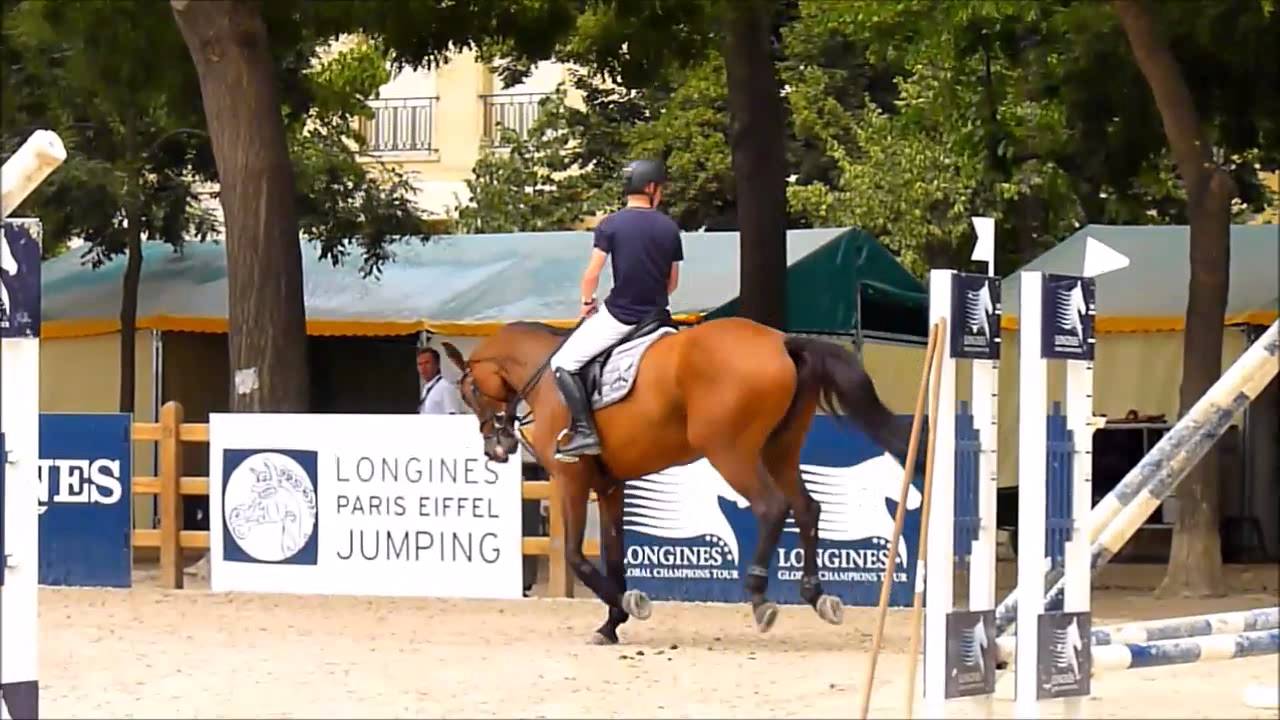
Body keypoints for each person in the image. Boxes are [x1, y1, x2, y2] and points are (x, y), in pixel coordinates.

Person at [548, 158, 683, 461]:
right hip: (658, 317)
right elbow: (672, 281)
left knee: (563, 362)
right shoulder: (669, 227)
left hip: (621, 315)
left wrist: (587, 303)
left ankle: (585, 432)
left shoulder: (611, 224)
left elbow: (592, 274)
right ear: (651, 188)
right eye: (661, 188)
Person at [417, 346, 467, 414]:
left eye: (427, 363)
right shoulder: (427, 388)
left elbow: (453, 417)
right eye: (420, 364)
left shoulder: (446, 387)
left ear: (437, 365)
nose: (423, 368)